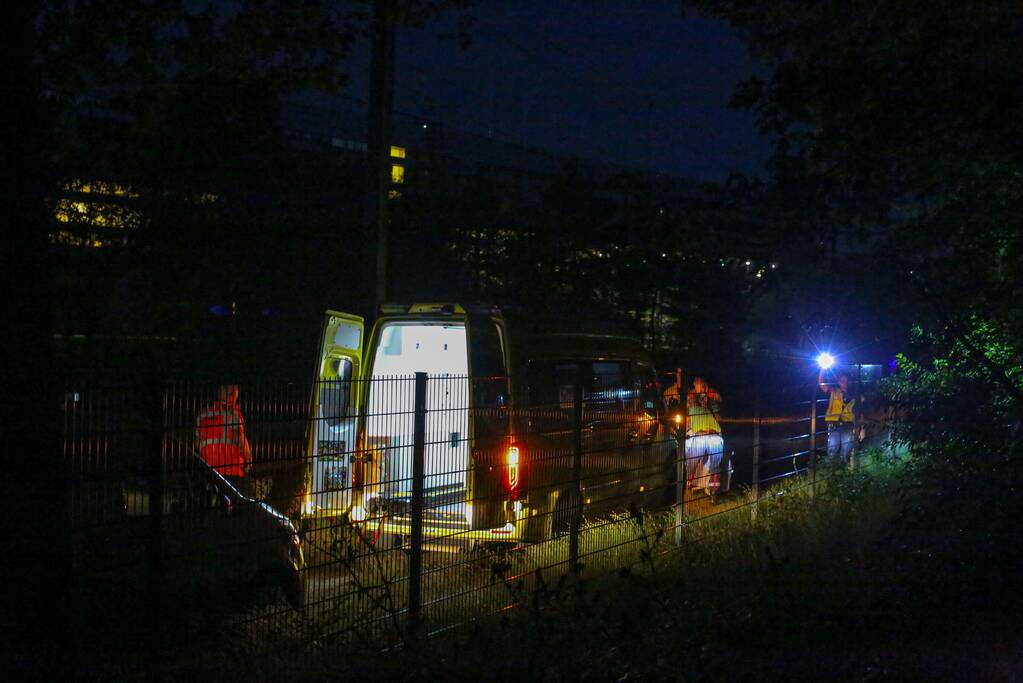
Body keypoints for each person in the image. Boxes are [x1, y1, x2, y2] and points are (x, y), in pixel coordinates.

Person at [196, 384, 253, 496]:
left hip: (210, 473)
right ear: (231, 393)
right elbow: (239, 439)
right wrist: (248, 458)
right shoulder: (232, 413)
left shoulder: (202, 415)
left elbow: (198, 444)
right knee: (241, 504)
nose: (237, 394)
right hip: (232, 471)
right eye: (236, 390)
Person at [686, 377, 724, 496]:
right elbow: (689, 414)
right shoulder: (691, 398)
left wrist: (709, 394)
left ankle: (713, 491)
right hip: (698, 435)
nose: (701, 388)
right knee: (692, 460)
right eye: (698, 386)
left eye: (702, 386)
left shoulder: (712, 396)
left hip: (713, 434)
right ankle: (689, 482)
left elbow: (718, 401)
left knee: (714, 463)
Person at [819, 370, 856, 464]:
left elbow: (860, 412)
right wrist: (822, 370)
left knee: (846, 452)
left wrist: (861, 429)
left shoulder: (854, 395)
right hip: (834, 425)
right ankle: (831, 472)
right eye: (841, 380)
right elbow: (822, 385)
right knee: (832, 450)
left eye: (845, 380)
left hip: (848, 426)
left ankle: (844, 471)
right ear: (838, 382)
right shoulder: (834, 392)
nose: (843, 382)